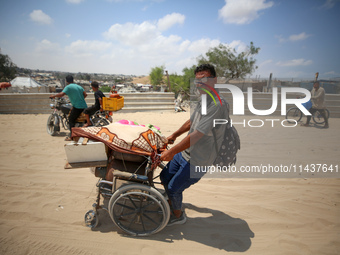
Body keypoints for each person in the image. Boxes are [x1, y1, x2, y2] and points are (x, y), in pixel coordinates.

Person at [160, 64, 228, 226]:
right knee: (165, 177)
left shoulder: (218, 104)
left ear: (214, 80)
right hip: (185, 153)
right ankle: (172, 202)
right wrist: (174, 135)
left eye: (205, 78)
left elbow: (197, 134)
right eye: (198, 80)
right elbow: (192, 121)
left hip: (199, 159)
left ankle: (177, 216)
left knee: (175, 188)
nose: (200, 83)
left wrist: (171, 152)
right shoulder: (204, 98)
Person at [49, 75, 87, 140]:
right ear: (73, 80)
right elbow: (85, 94)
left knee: (70, 120)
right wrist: (79, 99)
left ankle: (72, 136)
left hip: (77, 107)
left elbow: (61, 94)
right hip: (84, 106)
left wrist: (54, 96)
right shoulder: (79, 86)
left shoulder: (68, 87)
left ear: (66, 81)